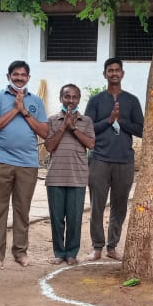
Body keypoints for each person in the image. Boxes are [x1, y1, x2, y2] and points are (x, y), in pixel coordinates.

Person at [0, 60, 48, 269]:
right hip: (0, 161)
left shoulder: (36, 101)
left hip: (28, 163)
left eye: (23, 75)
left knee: (22, 210)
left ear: (28, 78)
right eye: (15, 74)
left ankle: (20, 252)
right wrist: (15, 110)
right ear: (8, 76)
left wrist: (25, 111)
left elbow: (44, 132)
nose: (19, 78)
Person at [84, 58, 144, 260]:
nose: (114, 73)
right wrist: (109, 121)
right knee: (97, 205)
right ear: (105, 74)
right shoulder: (96, 100)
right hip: (99, 159)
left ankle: (112, 246)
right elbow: (88, 128)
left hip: (124, 160)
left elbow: (141, 130)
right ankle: (97, 247)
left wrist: (121, 121)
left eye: (117, 70)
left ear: (122, 74)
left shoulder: (132, 101)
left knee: (120, 205)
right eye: (110, 70)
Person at [45, 84, 95, 265]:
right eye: (67, 96)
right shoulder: (52, 120)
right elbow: (49, 146)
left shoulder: (86, 121)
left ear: (79, 99)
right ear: (61, 98)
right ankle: (59, 253)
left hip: (77, 177)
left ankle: (72, 253)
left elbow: (91, 144)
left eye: (74, 97)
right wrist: (62, 128)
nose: (70, 101)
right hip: (55, 177)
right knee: (57, 219)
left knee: (74, 219)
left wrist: (73, 128)